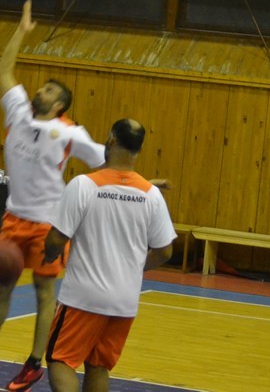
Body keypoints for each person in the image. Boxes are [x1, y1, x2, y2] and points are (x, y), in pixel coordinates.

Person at [0, 0, 107, 391]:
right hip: (13, 217)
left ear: (59, 105)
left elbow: (105, 161)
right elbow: (3, 70)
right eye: (42, 86)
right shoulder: (19, 113)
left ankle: (34, 363)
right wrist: (20, 32)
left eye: (49, 89)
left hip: (48, 224)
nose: (40, 89)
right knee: (1, 284)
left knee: (44, 292)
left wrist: (138, 182)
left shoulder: (70, 133)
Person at [43, 118, 176, 392]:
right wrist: (136, 268)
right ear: (139, 149)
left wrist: (49, 254)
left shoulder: (84, 185)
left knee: (60, 360)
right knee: (99, 365)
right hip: (124, 300)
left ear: (111, 139)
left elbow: (56, 239)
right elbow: (165, 251)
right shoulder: (151, 194)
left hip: (83, 297)